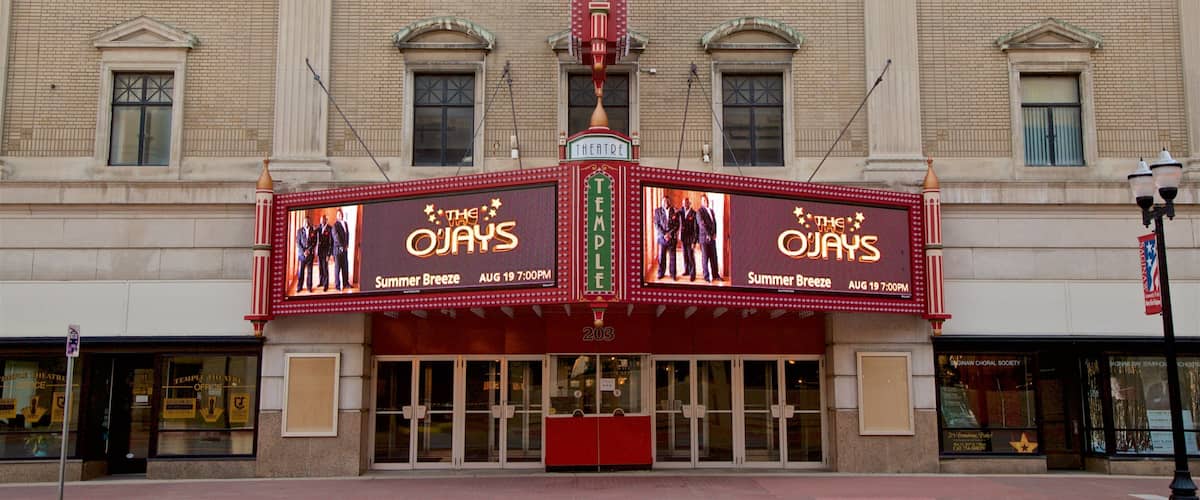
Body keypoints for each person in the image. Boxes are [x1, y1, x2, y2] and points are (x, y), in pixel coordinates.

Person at [653, 195, 679, 280]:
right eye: (664, 201)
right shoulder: (657, 211)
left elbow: (677, 225)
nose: (665, 203)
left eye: (667, 201)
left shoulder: (674, 211)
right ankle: (661, 273)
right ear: (661, 202)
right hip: (662, 237)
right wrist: (664, 234)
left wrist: (670, 234)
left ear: (669, 202)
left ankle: (673, 274)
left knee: (673, 257)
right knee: (661, 257)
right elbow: (657, 225)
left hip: (672, 238)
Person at [698, 194, 722, 282]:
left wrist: (715, 233)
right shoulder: (699, 212)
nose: (706, 202)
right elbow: (702, 225)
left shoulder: (711, 211)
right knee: (705, 258)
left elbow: (714, 223)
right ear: (701, 202)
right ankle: (706, 277)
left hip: (712, 238)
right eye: (704, 200)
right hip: (704, 238)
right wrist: (708, 234)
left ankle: (715, 275)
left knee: (714, 257)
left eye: (706, 200)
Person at [678, 197, 698, 281]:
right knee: (685, 255)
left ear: (689, 203)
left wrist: (694, 241)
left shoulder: (694, 213)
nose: (684, 204)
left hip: (690, 238)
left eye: (686, 203)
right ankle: (687, 270)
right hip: (683, 237)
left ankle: (692, 274)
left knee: (690, 256)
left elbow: (696, 229)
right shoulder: (681, 212)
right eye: (683, 203)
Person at [333, 208, 351, 291]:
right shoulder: (335, 225)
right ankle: (337, 285)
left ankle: (346, 283)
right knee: (337, 268)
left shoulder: (345, 223)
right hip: (338, 250)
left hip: (345, 249)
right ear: (337, 216)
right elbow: (336, 237)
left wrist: (347, 244)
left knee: (345, 267)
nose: (340, 216)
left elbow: (347, 234)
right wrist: (341, 246)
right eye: (338, 215)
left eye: (341, 214)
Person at [295, 216, 314, 292]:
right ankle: (299, 287)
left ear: (309, 222)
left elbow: (314, 242)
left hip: (310, 254)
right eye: (305, 221)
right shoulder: (299, 231)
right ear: (303, 222)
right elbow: (298, 243)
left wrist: (308, 250)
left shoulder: (313, 230)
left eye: (308, 221)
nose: (306, 223)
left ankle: (309, 287)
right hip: (302, 255)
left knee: (310, 271)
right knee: (301, 272)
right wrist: (304, 251)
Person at [316, 214, 333, 291]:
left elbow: (331, 243)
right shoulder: (318, 227)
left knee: (325, 268)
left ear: (326, 220)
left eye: (323, 220)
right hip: (319, 251)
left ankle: (326, 284)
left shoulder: (330, 228)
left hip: (326, 252)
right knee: (320, 268)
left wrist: (329, 254)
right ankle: (321, 282)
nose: (321, 221)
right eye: (320, 220)